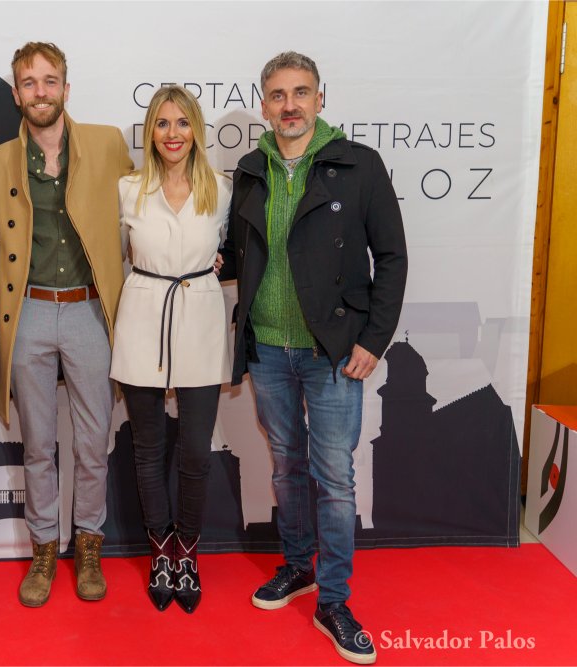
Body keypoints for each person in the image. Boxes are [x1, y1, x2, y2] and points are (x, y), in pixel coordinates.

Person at [220, 52, 408, 664]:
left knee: (334, 478)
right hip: (268, 348)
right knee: (285, 466)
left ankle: (334, 600)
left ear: (320, 98)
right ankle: (298, 566)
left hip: (333, 352)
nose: (290, 105)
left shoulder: (358, 164)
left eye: (301, 92)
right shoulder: (251, 169)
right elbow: (236, 252)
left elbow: (393, 257)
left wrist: (373, 340)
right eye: (278, 95)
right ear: (265, 105)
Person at [0, 42, 133, 607]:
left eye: (50, 81)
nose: (40, 91)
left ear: (66, 89)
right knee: (38, 446)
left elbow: (142, 210)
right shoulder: (0, 160)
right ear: (16, 93)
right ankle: (44, 548)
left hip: (90, 309)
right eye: (29, 82)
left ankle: (89, 544)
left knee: (93, 442)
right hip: (28, 311)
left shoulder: (107, 143)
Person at [110, 86, 231, 614]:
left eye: (182, 123)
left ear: (196, 129)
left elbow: (235, 250)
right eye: (162, 123)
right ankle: (161, 550)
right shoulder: (127, 189)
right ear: (150, 133)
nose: (173, 133)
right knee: (148, 448)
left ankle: (188, 551)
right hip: (143, 313)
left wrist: (219, 262)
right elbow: (113, 252)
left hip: (201, 316)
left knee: (197, 453)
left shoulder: (221, 189)